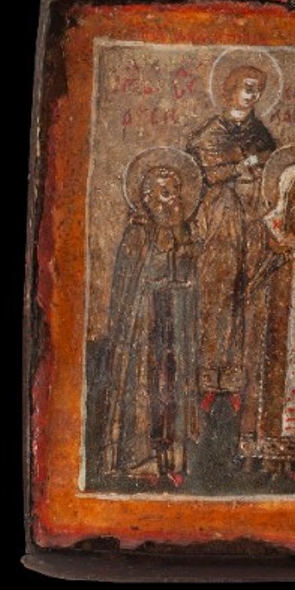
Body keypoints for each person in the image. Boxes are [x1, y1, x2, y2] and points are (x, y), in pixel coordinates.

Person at [93, 150, 202, 487]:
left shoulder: (184, 233)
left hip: (173, 323)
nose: (175, 200)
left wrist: (184, 269)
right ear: (149, 199)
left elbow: (189, 279)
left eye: (177, 191)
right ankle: (139, 458)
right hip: (144, 326)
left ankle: (171, 459)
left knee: (170, 389)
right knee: (145, 388)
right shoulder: (137, 235)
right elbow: (128, 287)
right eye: (166, 193)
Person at [185, 64, 277, 402]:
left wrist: (252, 168)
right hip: (221, 222)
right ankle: (209, 374)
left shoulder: (261, 134)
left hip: (252, 220)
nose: (252, 94)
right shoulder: (210, 133)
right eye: (246, 87)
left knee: (246, 292)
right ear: (230, 90)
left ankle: (238, 377)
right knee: (217, 291)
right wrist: (239, 168)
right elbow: (203, 175)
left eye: (257, 89)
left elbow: (271, 164)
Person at [241, 159, 295, 483]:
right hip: (273, 327)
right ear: (287, 193)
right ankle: (267, 456)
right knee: (271, 383)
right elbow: (249, 282)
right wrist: (277, 256)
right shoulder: (267, 228)